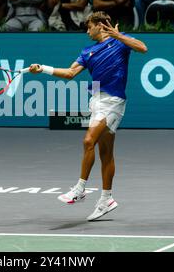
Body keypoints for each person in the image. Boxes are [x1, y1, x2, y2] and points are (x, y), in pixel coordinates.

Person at [28, 11, 148, 221]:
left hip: (113, 102)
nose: (87, 31)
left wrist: (118, 36)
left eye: (89, 27)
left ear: (100, 26)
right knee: (106, 153)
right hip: (96, 101)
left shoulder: (121, 42)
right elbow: (69, 73)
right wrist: (43, 69)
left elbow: (142, 48)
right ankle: (106, 199)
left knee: (88, 140)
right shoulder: (87, 51)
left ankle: (80, 188)